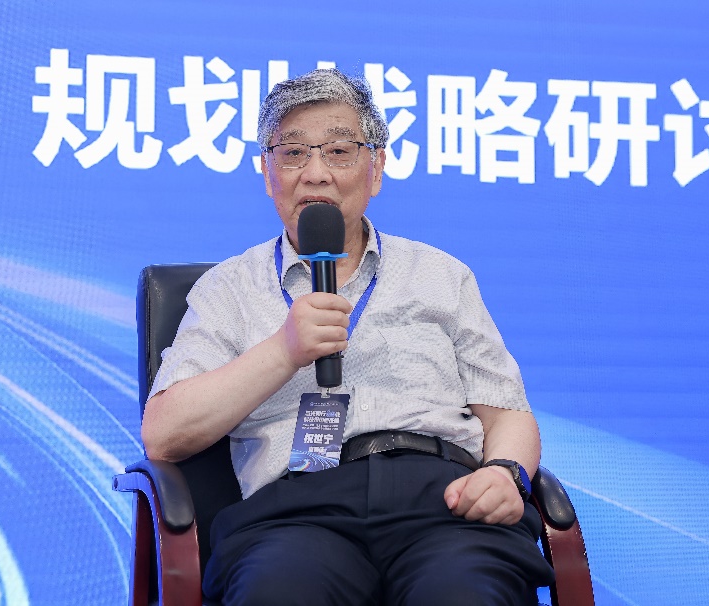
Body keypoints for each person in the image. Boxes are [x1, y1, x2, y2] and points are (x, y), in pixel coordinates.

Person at [142, 68, 555, 605]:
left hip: (442, 501)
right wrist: (282, 351)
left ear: (376, 168)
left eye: (339, 151)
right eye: (293, 153)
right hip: (295, 514)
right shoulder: (228, 288)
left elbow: (507, 414)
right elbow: (164, 434)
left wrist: (504, 473)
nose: (315, 174)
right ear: (267, 173)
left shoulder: (441, 275)